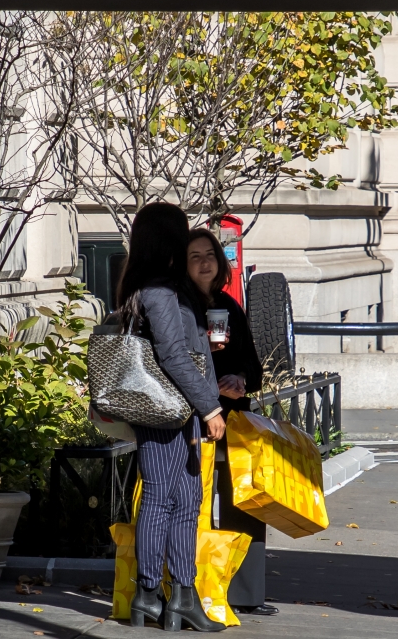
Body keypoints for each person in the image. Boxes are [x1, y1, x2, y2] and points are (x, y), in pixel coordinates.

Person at [116, 203, 227, 633]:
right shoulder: (158, 291)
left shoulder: (165, 288)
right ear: (169, 239)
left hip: (181, 410)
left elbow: (178, 349)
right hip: (164, 411)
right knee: (161, 499)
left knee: (187, 502)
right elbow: (172, 357)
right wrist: (211, 407)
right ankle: (148, 594)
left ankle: (183, 595)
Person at [187, 228, 278, 617]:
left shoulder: (229, 306)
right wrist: (203, 352)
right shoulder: (178, 307)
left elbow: (254, 368)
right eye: (194, 256)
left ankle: (246, 593)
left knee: (245, 502)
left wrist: (239, 379)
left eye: (210, 254)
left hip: (234, 421)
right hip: (191, 423)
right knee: (194, 507)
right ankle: (196, 589)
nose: (204, 263)